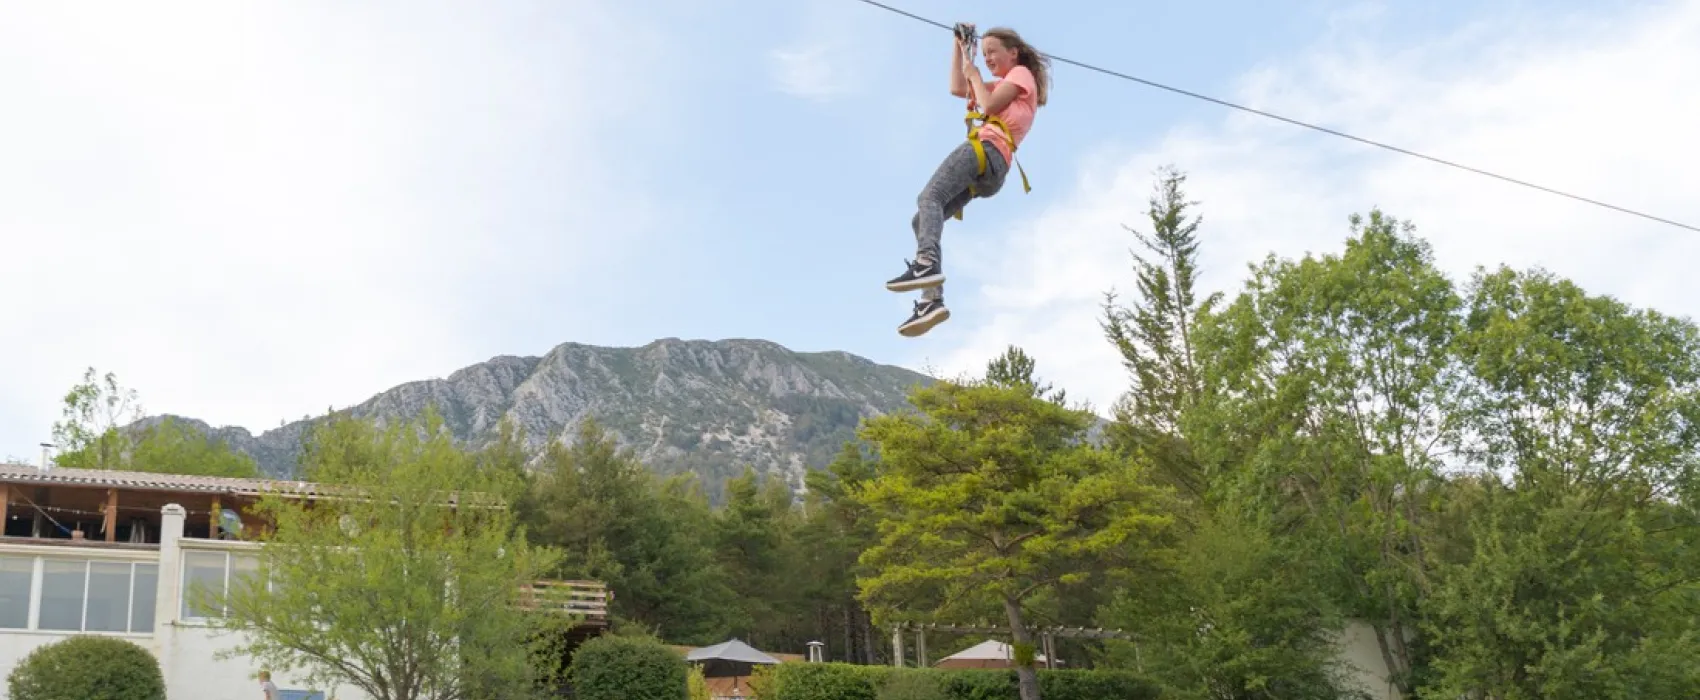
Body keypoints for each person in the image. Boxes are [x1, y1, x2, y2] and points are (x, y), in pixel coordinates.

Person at [887, 24, 1051, 336]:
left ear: (1013, 53)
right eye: (984, 53)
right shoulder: (1005, 84)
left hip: (986, 150)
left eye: (992, 51)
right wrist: (958, 47)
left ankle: (926, 264)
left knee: (929, 198)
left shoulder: (1020, 75)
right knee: (921, 219)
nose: (987, 58)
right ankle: (931, 301)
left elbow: (987, 105)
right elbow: (957, 88)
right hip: (992, 172)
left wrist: (974, 72)